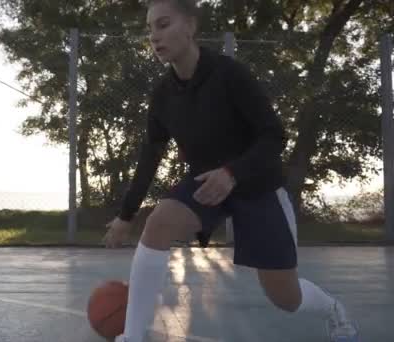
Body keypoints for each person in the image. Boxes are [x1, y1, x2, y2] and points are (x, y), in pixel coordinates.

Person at [102, 0, 360, 341]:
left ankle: (332, 309)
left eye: (163, 25)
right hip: (206, 185)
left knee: (285, 297)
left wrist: (232, 173)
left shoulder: (230, 74)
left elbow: (274, 135)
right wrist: (126, 214)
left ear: (190, 27)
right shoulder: (163, 95)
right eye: (150, 29)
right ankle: (132, 337)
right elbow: (150, 155)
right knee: (159, 221)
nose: (154, 36)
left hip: (257, 186)